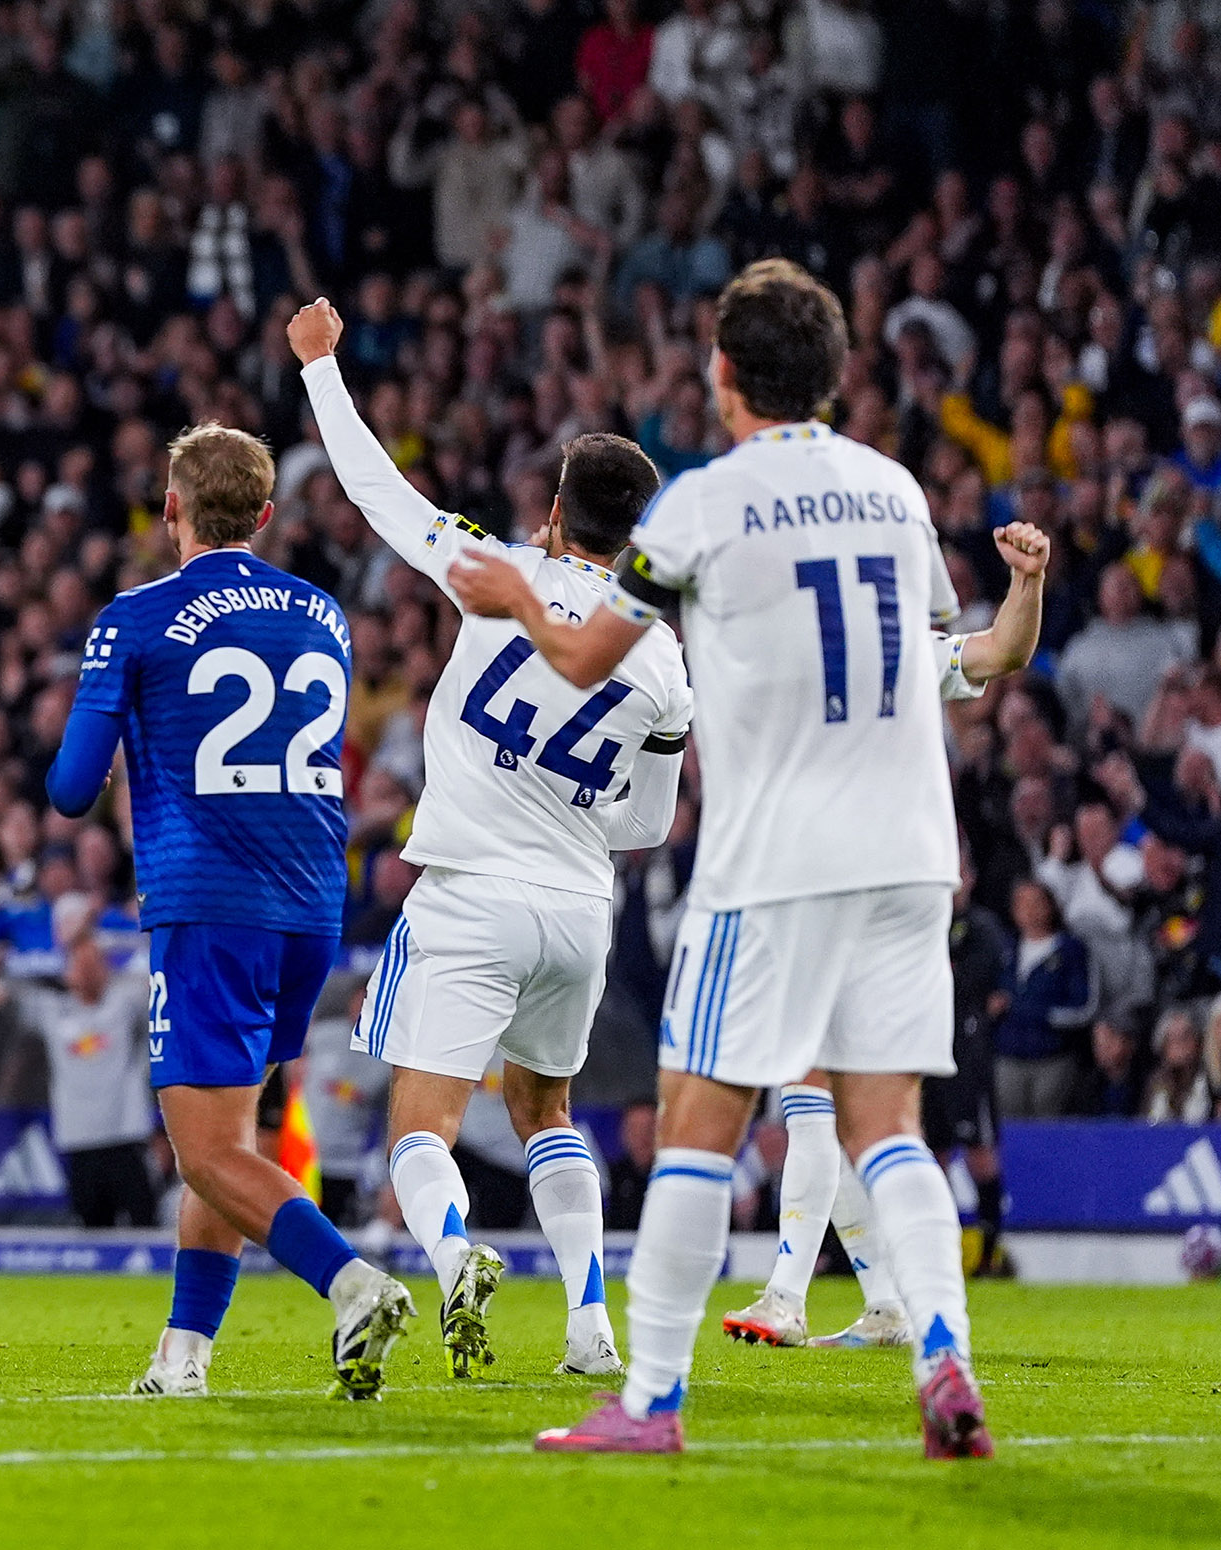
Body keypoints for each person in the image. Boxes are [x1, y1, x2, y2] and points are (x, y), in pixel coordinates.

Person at [451, 259, 992, 1458]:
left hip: (776, 858)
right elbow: (944, 643)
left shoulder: (703, 502)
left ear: (727, 372)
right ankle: (944, 1350)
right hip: (912, 849)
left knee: (697, 1124)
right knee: (890, 1124)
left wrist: (510, 594)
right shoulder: (896, 490)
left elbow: (582, 656)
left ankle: (649, 1403)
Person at [291, 295, 688, 1383]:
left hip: (470, 892)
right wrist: (571, 809)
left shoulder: (495, 573)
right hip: (580, 909)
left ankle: (456, 1253)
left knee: (419, 1127)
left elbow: (376, 491)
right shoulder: (662, 657)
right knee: (545, 1109)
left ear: (555, 510)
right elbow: (649, 824)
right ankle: (591, 1323)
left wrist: (321, 365)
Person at [46, 420, 416, 1401]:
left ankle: (353, 1282)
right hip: (311, 902)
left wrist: (120, 734)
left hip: (209, 901)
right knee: (229, 1143)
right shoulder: (324, 611)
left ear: (171, 507)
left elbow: (72, 789)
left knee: (207, 1151)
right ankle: (183, 1355)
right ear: (265, 513)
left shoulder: (136, 615)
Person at [723, 538, 1051, 1350]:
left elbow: (1005, 649)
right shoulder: (894, 657)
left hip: (839, 892)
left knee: (813, 1093)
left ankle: (787, 1296)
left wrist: (1029, 580)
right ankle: (890, 1304)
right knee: (852, 1116)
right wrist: (1028, 578)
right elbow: (1000, 651)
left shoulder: (800, 671)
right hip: (893, 891)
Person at [0, 937, 159, 1227]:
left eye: (93, 962)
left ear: (105, 968)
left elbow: (160, 978)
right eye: (78, 963)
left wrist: (121, 945)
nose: (86, 970)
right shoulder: (51, 1010)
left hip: (125, 1137)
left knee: (144, 1224)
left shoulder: (125, 1003)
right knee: (92, 1231)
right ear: (67, 971)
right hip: (79, 1141)